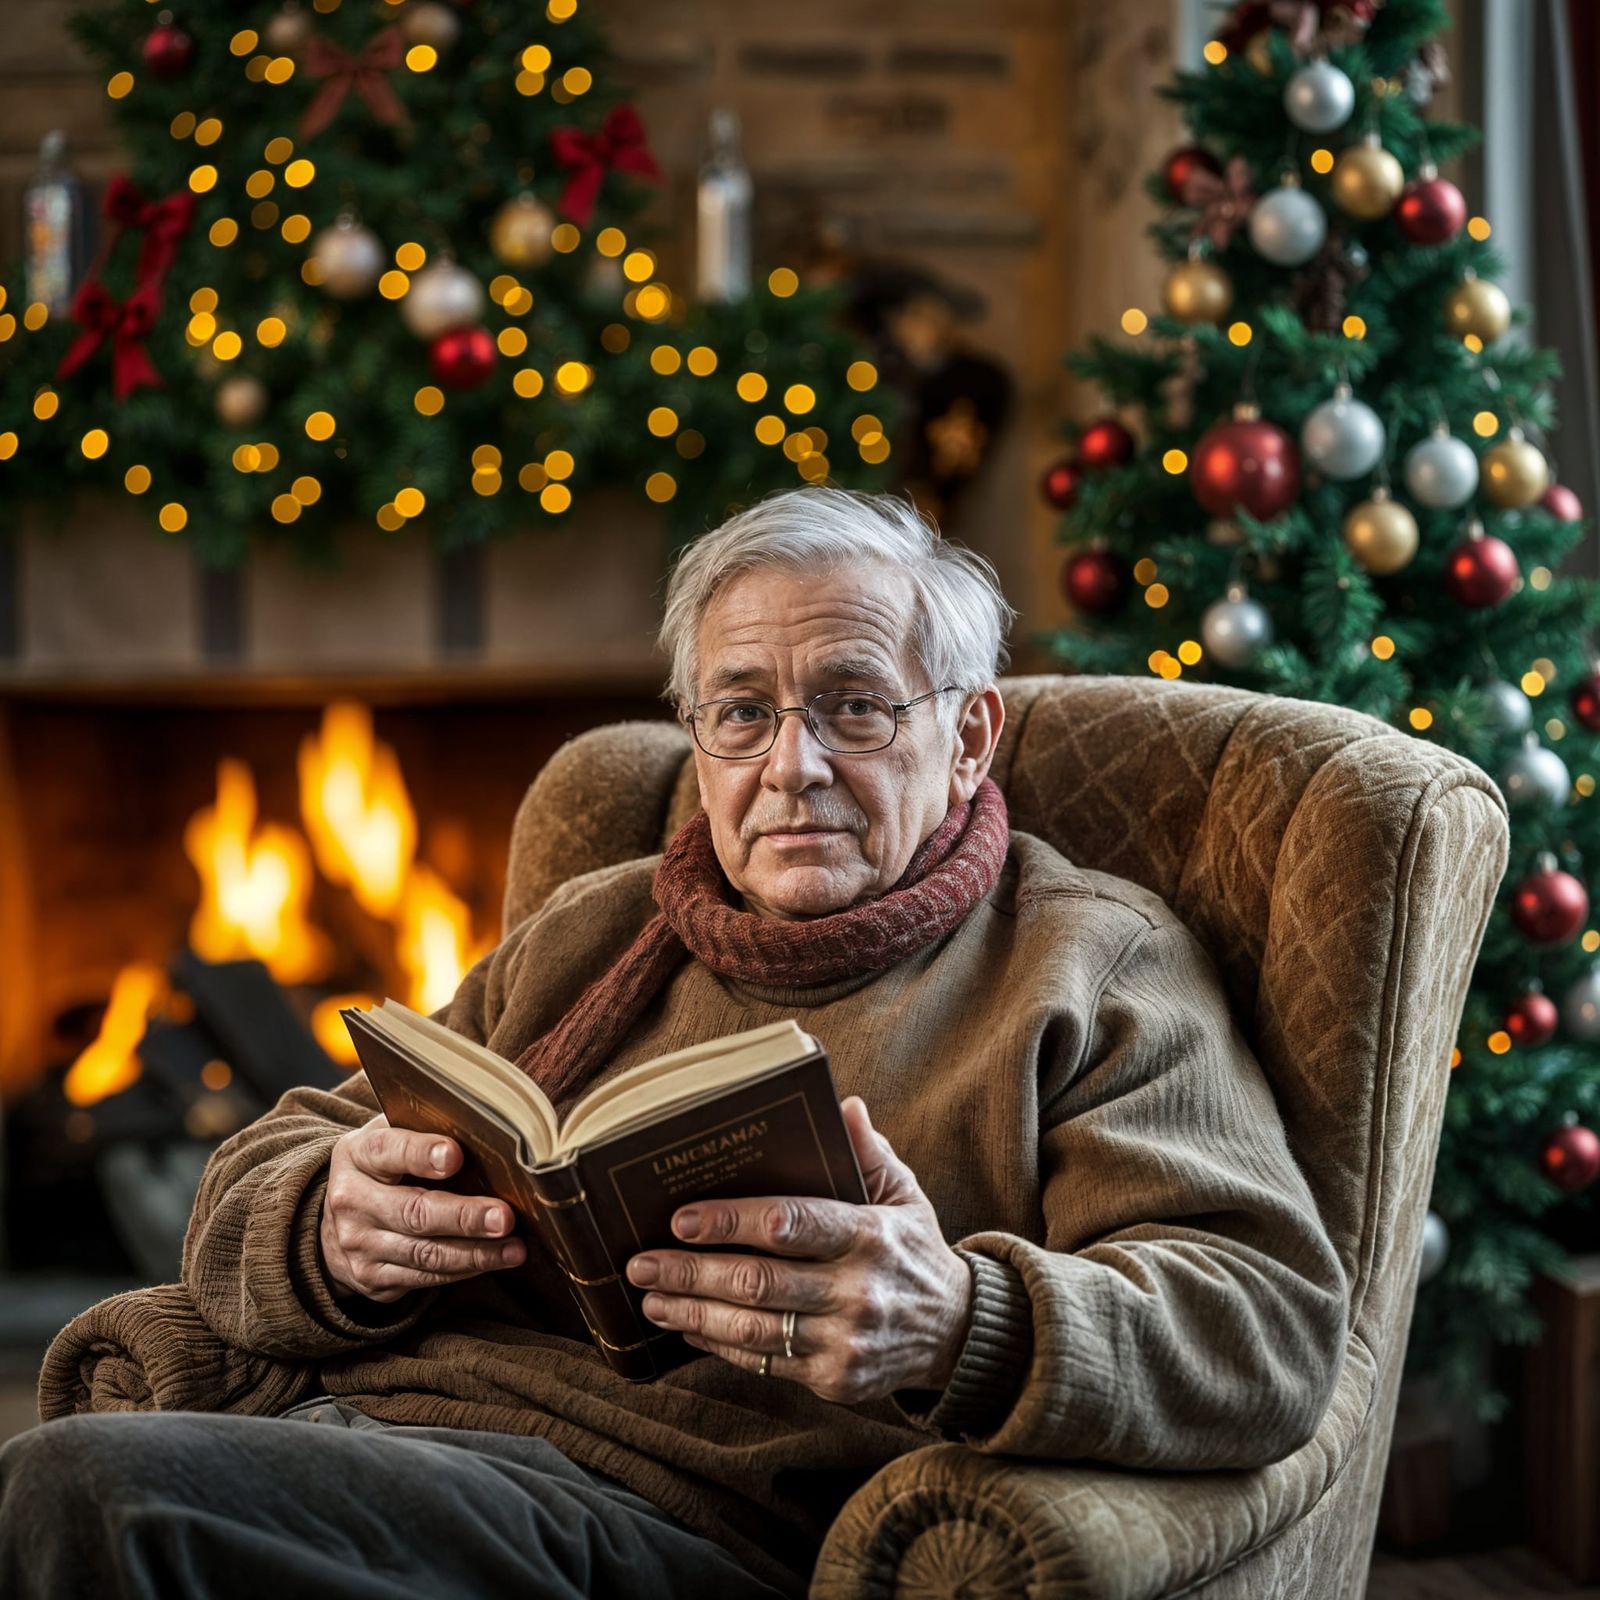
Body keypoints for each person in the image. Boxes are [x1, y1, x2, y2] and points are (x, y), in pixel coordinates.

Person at [0, 488, 1349, 1599]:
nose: (791, 765)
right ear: (696, 736)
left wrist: (959, 1322)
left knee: (83, 1491)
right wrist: (326, 1220)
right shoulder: (601, 921)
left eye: (856, 706)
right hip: (394, 1438)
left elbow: (1270, 1326)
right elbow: (277, 1149)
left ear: (970, 734)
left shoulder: (1088, 963)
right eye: (742, 711)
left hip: (677, 1521)